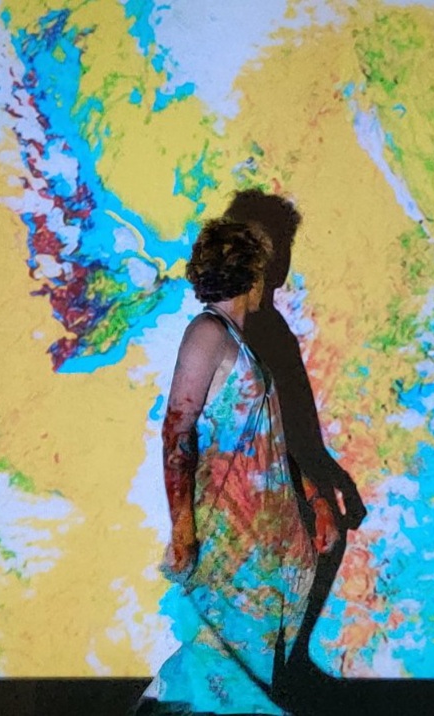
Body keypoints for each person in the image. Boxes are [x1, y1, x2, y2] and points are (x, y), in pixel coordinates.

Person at [137, 218, 341, 715]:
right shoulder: (208, 332)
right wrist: (183, 531)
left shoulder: (238, 340)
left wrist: (316, 497)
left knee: (239, 666)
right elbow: (177, 433)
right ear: (253, 273)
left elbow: (264, 442)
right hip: (228, 535)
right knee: (219, 667)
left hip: (257, 539)